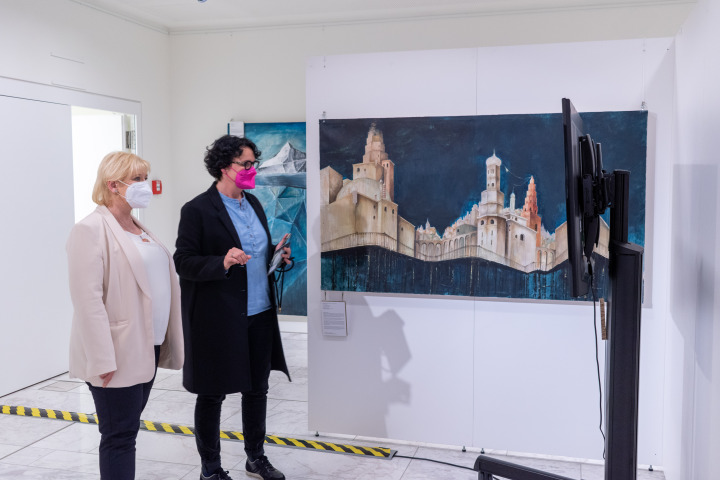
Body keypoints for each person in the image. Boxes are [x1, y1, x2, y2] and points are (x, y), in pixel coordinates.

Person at [174, 135, 291, 480]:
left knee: (257, 389)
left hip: (258, 313)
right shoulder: (196, 210)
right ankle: (210, 469)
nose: (252, 169)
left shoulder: (253, 204)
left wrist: (276, 257)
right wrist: (222, 262)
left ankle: (255, 457)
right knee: (212, 394)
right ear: (224, 167)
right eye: (246, 164)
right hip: (218, 317)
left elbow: (257, 251)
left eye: (254, 163)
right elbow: (184, 261)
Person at [66, 151, 184, 480]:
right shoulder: (89, 229)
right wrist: (102, 359)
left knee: (127, 431)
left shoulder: (137, 227)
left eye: (146, 178)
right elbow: (87, 300)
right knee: (119, 437)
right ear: (113, 185)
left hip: (148, 345)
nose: (145, 185)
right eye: (137, 179)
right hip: (116, 352)